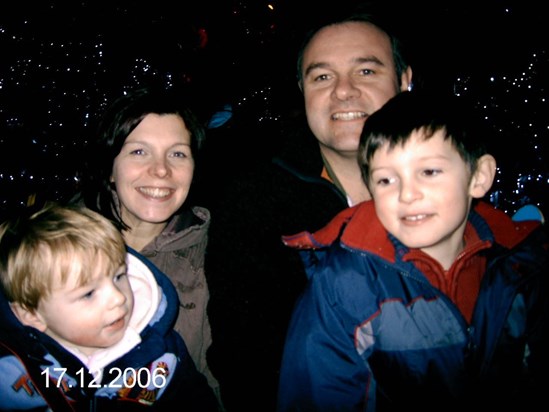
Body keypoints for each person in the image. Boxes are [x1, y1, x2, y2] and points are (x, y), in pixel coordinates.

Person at [276, 90, 549, 411]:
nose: (407, 194)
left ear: (478, 176)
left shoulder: (522, 265)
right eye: (386, 180)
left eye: (429, 172)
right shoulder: (344, 285)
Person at [202, 7, 413, 411]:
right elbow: (245, 359)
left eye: (366, 71)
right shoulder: (256, 203)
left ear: (404, 82)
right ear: (302, 90)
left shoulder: (448, 197)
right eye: (322, 77)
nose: (344, 91)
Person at [71, 86, 222, 408]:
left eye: (178, 153)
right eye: (139, 151)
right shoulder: (52, 247)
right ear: (109, 167)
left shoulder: (220, 253)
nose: (161, 170)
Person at [0, 202, 218, 411]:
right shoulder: (12, 370)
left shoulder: (162, 355)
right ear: (31, 314)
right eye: (88, 293)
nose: (118, 298)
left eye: (118, 276)